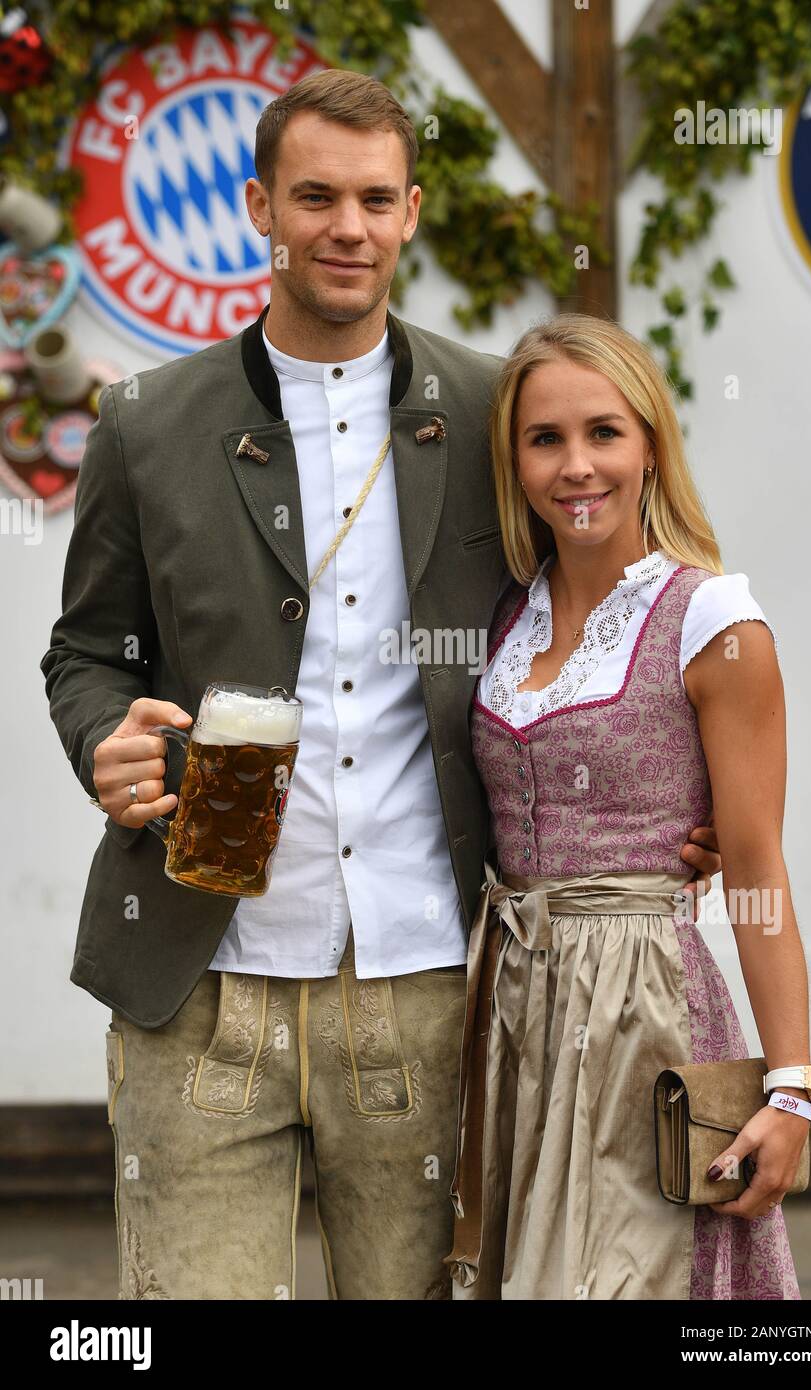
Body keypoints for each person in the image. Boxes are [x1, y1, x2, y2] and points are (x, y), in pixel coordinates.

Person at [41, 70, 721, 1301]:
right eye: (314, 197)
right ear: (259, 206)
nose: (345, 227)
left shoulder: (490, 408)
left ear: (409, 211)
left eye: (372, 198)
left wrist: (676, 791)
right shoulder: (145, 422)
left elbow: (599, 603)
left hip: (429, 983)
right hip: (200, 976)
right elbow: (89, 649)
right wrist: (105, 737)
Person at [444, 313, 811, 1300]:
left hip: (646, 1007)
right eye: (544, 438)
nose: (576, 466)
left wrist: (789, 1088)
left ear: (650, 443)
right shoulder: (499, 617)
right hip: (513, 1007)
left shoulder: (711, 619)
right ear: (513, 459)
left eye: (603, 432)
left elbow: (754, 870)